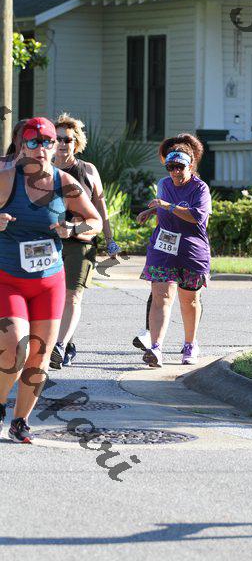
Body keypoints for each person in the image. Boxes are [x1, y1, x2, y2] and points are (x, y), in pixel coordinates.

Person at [0, 117, 102, 443]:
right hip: (8, 279)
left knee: (40, 354)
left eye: (47, 142)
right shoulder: (6, 179)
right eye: (34, 142)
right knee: (15, 346)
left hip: (48, 282)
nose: (42, 148)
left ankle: (21, 421)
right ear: (21, 146)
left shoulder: (64, 183)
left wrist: (73, 229)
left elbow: (95, 221)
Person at [49, 113, 121, 369]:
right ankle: (66, 342)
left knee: (72, 295)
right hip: (48, 242)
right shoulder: (43, 170)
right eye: (57, 139)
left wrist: (110, 240)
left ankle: (58, 346)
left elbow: (100, 207)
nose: (62, 144)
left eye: (67, 139)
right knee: (53, 297)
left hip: (81, 240)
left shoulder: (87, 170)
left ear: (76, 142)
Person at [137, 133, 211, 367]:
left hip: (191, 250)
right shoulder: (164, 184)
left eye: (180, 167)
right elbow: (165, 208)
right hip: (164, 248)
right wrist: (152, 211)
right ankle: (156, 348)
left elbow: (197, 216)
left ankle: (190, 344)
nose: (175, 172)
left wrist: (167, 206)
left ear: (190, 165)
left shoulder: (200, 188)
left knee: (189, 301)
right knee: (161, 297)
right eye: (171, 167)